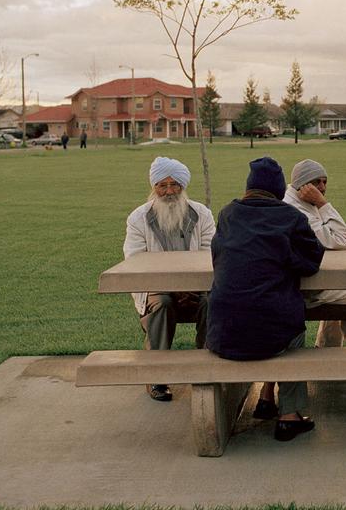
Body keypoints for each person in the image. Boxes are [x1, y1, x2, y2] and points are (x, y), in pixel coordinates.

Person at [207, 157, 326, 441]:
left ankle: (266, 396)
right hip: (274, 330)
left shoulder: (228, 214)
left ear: (249, 187)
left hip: (224, 332)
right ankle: (290, 415)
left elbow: (218, 255)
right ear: (277, 188)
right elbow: (311, 262)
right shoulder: (290, 217)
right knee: (292, 329)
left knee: (272, 317)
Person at [122, 156, 217, 402]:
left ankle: (206, 367)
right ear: (153, 187)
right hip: (155, 287)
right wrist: (173, 287)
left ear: (183, 187)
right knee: (162, 304)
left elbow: (211, 256)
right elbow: (135, 261)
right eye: (162, 185)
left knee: (213, 301)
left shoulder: (201, 214)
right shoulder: (138, 218)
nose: (169, 192)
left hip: (198, 285)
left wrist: (189, 285)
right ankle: (158, 377)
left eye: (175, 185)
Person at [284, 158, 346, 347]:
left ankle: (328, 346)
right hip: (303, 291)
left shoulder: (302, 204)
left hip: (306, 284)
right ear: (301, 186)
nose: (322, 187)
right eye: (316, 182)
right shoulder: (297, 211)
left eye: (324, 182)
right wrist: (322, 202)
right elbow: (341, 239)